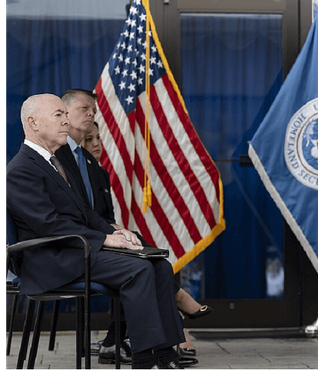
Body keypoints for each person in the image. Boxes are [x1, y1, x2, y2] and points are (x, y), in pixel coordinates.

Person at [7, 94, 185, 369]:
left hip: (74, 249)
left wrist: (117, 232)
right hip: (50, 258)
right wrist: (104, 239)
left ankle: (163, 353)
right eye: (58, 115)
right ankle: (143, 358)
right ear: (33, 122)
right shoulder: (20, 169)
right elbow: (49, 223)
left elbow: (86, 213)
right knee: (138, 270)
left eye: (66, 114)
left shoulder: (55, 163)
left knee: (159, 265)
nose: (67, 120)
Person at [82, 120, 209, 360]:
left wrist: (116, 230)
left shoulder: (99, 171)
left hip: (102, 238)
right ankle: (176, 313)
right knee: (138, 265)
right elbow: (78, 218)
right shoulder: (72, 170)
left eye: (98, 138)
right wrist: (111, 234)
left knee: (153, 262)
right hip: (88, 245)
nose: (97, 144)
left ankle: (121, 342)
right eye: (89, 139)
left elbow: (104, 217)